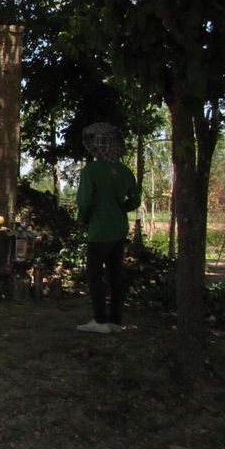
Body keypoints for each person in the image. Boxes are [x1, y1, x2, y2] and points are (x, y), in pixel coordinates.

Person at [75, 122, 141, 333]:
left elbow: (85, 202)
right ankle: (116, 321)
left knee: (95, 276)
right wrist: (120, 208)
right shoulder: (125, 171)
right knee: (115, 275)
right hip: (119, 228)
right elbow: (135, 200)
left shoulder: (91, 170)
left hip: (99, 230)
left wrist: (82, 220)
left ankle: (100, 320)